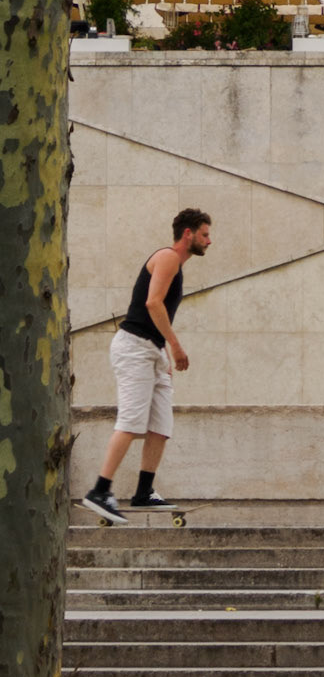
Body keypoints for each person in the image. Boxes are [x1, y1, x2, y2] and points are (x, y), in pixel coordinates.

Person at [80, 207, 212, 524]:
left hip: (152, 350)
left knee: (161, 424)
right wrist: (175, 346)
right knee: (130, 421)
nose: (210, 241)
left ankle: (144, 491)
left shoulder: (176, 265)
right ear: (188, 234)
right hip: (134, 348)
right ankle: (99, 491)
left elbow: (155, 313)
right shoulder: (168, 257)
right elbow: (153, 303)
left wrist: (163, 352)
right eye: (205, 234)